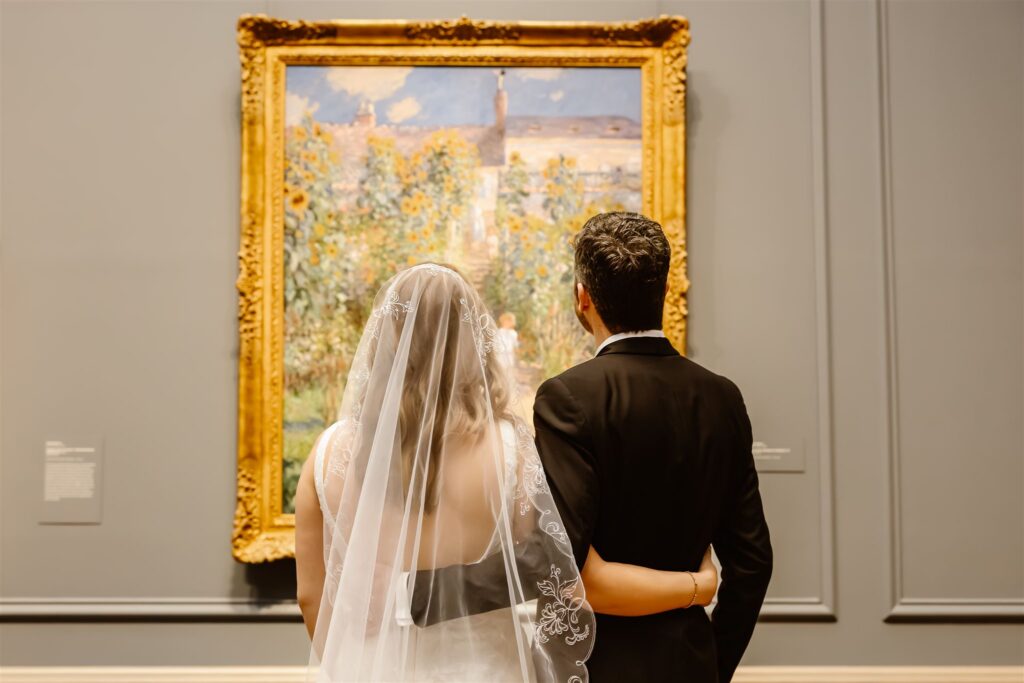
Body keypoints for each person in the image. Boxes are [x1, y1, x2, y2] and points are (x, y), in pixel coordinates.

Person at [294, 263, 719, 682]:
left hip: (373, 667)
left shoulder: (329, 452)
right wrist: (695, 585)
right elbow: (555, 572)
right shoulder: (511, 448)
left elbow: (311, 596)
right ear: (471, 341)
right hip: (487, 667)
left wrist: (352, 665)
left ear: (384, 340)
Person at [534, 213, 773, 682]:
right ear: (663, 292)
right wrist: (713, 662)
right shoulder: (721, 397)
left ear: (582, 297)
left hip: (594, 664)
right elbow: (753, 563)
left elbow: (563, 558)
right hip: (690, 660)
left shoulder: (567, 398)